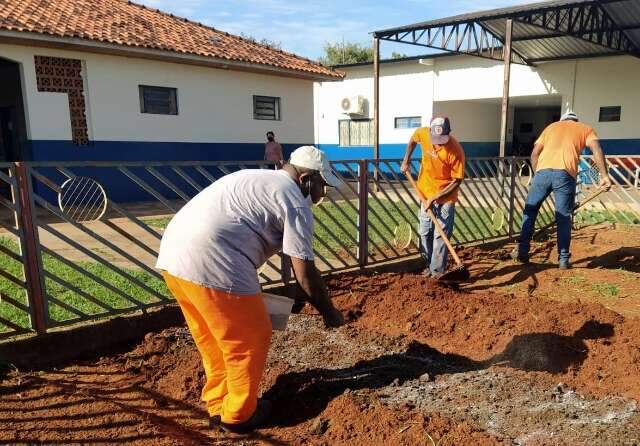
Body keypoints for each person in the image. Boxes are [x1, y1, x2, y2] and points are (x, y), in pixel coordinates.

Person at [156, 146, 344, 433]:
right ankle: (239, 415)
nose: (322, 195)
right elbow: (305, 274)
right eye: (323, 187)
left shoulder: (255, 177)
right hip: (213, 260)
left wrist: (291, 300)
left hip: (174, 256)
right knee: (250, 338)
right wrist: (330, 313)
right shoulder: (294, 201)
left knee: (213, 338)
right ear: (307, 178)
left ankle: (219, 403)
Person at [511, 110, 612, 269]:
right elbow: (597, 149)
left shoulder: (550, 128)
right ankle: (563, 259)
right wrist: (604, 176)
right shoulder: (585, 129)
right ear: (575, 120)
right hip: (565, 173)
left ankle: (522, 252)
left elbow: (535, 153)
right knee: (563, 217)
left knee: (530, 211)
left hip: (542, 173)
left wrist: (538, 174)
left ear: (562, 120)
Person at [400, 116, 465, 278]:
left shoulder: (455, 150)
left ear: (448, 134)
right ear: (429, 131)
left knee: (439, 236)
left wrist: (436, 197)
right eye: (435, 139)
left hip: (446, 196)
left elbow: (457, 181)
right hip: (424, 192)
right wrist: (406, 160)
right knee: (425, 231)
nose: (438, 143)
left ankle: (437, 272)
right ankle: (429, 265)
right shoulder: (423, 133)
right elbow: (413, 140)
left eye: (442, 139)